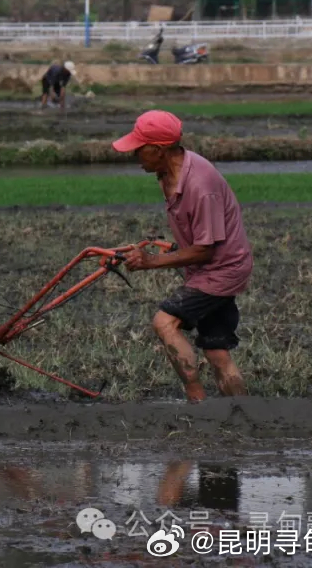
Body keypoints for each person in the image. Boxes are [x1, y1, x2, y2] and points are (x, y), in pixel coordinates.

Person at [111, 110, 252, 404]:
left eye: (139, 148)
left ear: (159, 150)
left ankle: (196, 400)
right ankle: (244, 412)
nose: (135, 154)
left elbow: (206, 249)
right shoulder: (168, 172)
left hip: (220, 269)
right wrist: (172, 248)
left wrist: (151, 262)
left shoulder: (200, 185)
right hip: (208, 265)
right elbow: (198, 236)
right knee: (216, 351)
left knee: (165, 323)